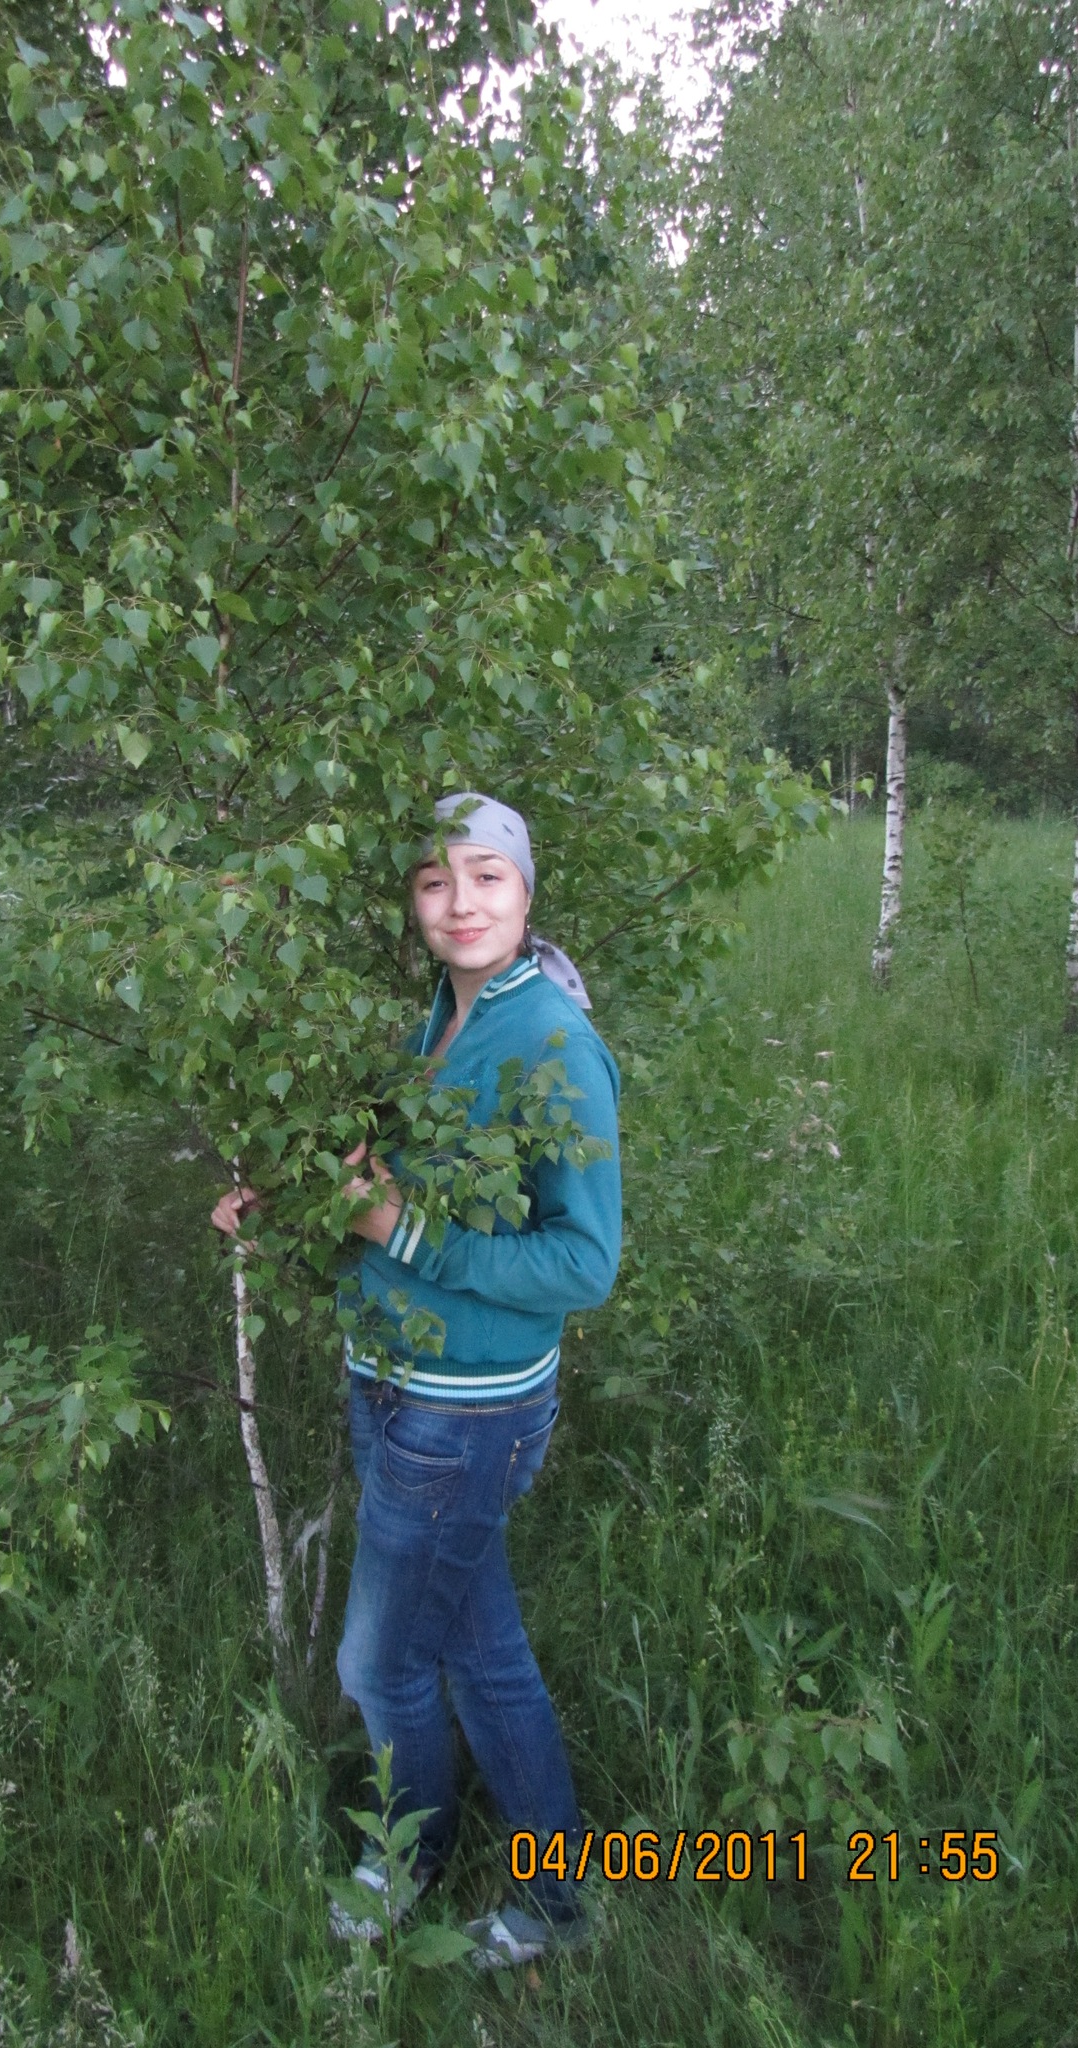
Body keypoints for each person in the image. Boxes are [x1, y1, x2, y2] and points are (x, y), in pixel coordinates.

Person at [210, 793, 621, 1970]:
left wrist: (398, 1229)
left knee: (379, 1661)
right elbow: (386, 1183)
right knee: (479, 1649)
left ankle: (409, 1857)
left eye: (488, 876)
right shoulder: (440, 1012)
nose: (462, 903)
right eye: (436, 881)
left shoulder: (552, 1042)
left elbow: (582, 1263)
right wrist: (294, 1207)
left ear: (527, 892)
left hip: (465, 1409)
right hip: (392, 1379)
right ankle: (552, 1895)